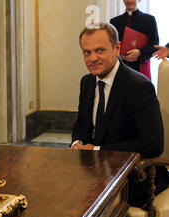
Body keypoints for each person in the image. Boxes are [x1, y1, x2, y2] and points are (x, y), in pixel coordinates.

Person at [71, 23, 169, 207]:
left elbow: (152, 144)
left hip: (134, 176)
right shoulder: (87, 82)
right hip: (97, 172)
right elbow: (81, 123)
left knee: (78, 205)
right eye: (87, 52)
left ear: (117, 48)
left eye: (100, 50)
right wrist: (76, 143)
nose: (93, 58)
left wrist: (97, 151)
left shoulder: (139, 86)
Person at [110, 0, 159, 80]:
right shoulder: (114, 22)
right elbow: (111, 45)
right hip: (120, 67)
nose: (129, 1)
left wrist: (139, 52)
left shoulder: (149, 20)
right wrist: (119, 54)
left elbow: (154, 45)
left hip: (141, 67)